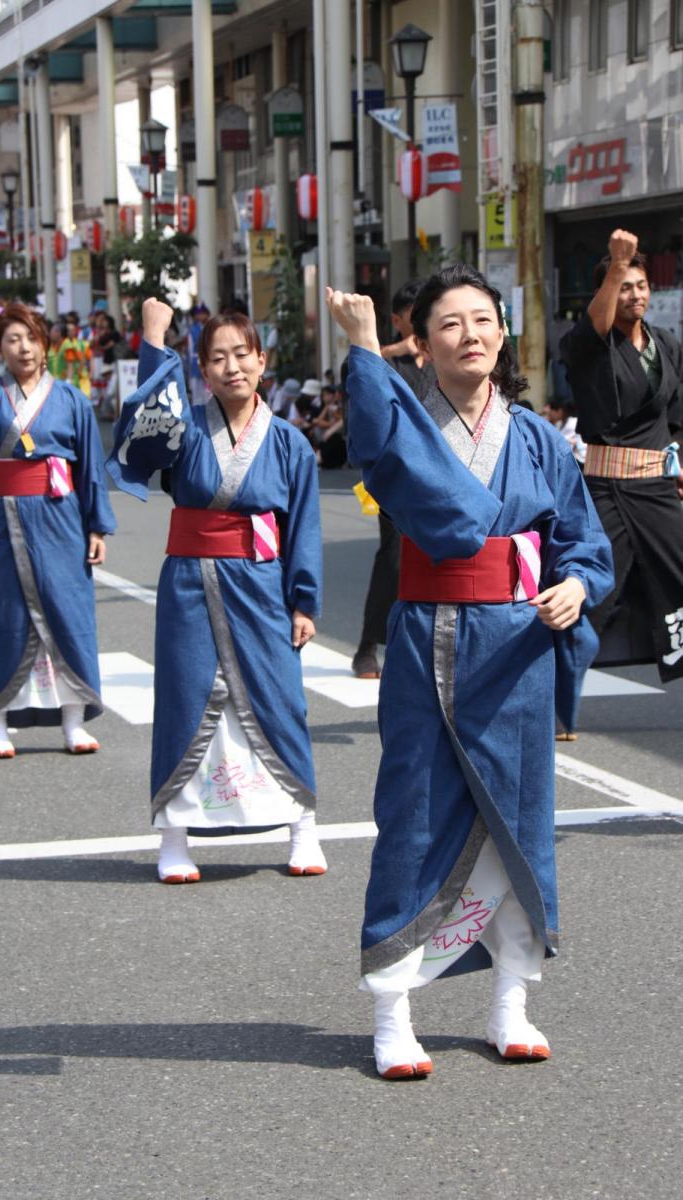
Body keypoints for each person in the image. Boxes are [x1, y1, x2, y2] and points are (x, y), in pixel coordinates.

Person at [325, 266, 613, 1079]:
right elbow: (376, 452)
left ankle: (510, 1002)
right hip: (428, 640)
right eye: (448, 323)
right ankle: (392, 1009)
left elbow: (582, 542)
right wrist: (358, 347)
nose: (471, 334)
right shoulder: (404, 421)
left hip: (515, 645)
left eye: (483, 319)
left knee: (519, 817)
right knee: (413, 812)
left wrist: (575, 585)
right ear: (419, 344)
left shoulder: (537, 439)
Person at [107, 297, 326, 883]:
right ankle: (174, 837)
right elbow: (143, 428)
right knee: (185, 699)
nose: (232, 367)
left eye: (242, 355)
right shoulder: (183, 431)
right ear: (201, 371)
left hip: (260, 585)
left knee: (280, 699)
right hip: (189, 581)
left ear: (262, 360)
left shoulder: (290, 443)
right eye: (217, 358)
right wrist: (154, 339)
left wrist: (304, 600)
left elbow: (302, 524)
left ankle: (301, 826)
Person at [0, 297, 116, 759]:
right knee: (1, 616)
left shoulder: (71, 398)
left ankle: (73, 721)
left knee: (68, 612)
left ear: (45, 342)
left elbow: (90, 467)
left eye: (31, 337)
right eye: (12, 339)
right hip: (1, 516)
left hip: (60, 516)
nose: (24, 348)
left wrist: (97, 527)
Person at [561, 229, 683, 683]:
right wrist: (616, 264)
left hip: (657, 488)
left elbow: (674, 416)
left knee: (678, 574)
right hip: (606, 489)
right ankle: (556, 691)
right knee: (593, 591)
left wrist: (678, 461)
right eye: (624, 286)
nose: (634, 294)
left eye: (641, 284)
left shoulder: (665, 344)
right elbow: (593, 324)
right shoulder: (591, 345)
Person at [352, 281, 436, 678]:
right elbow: (352, 375)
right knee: (394, 556)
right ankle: (368, 645)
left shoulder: (442, 357)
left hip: (441, 474)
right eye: (412, 313)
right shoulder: (388, 360)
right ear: (398, 320)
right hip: (397, 473)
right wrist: (394, 351)